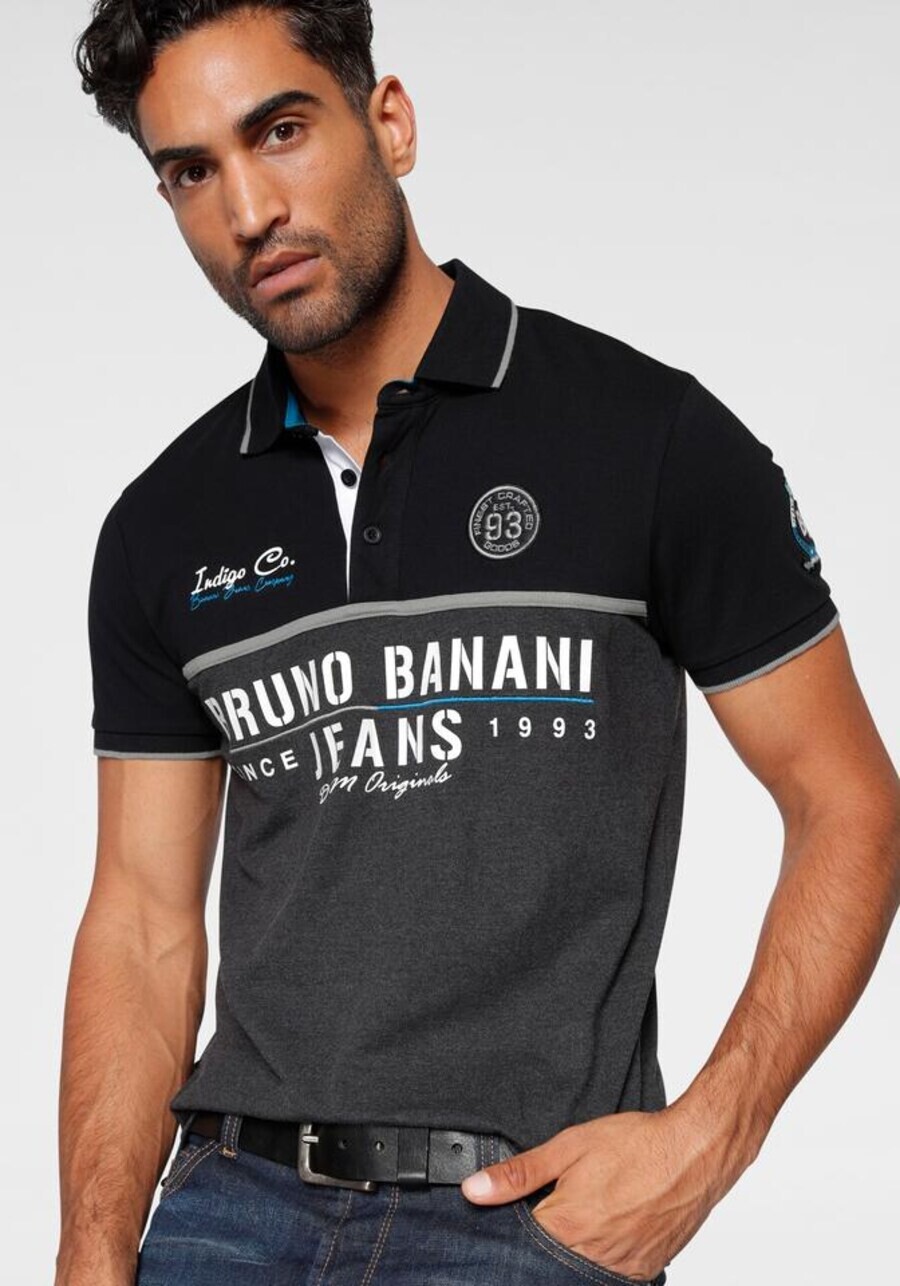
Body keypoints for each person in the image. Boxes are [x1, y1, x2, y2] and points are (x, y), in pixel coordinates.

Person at [57, 2, 899, 1284]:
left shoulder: (646, 438)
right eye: (191, 171)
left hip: (521, 1217)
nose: (249, 210)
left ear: (389, 122)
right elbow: (141, 918)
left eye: (280, 131)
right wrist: (92, 1246)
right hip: (228, 1213)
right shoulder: (163, 525)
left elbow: (849, 802)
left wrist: (707, 1138)